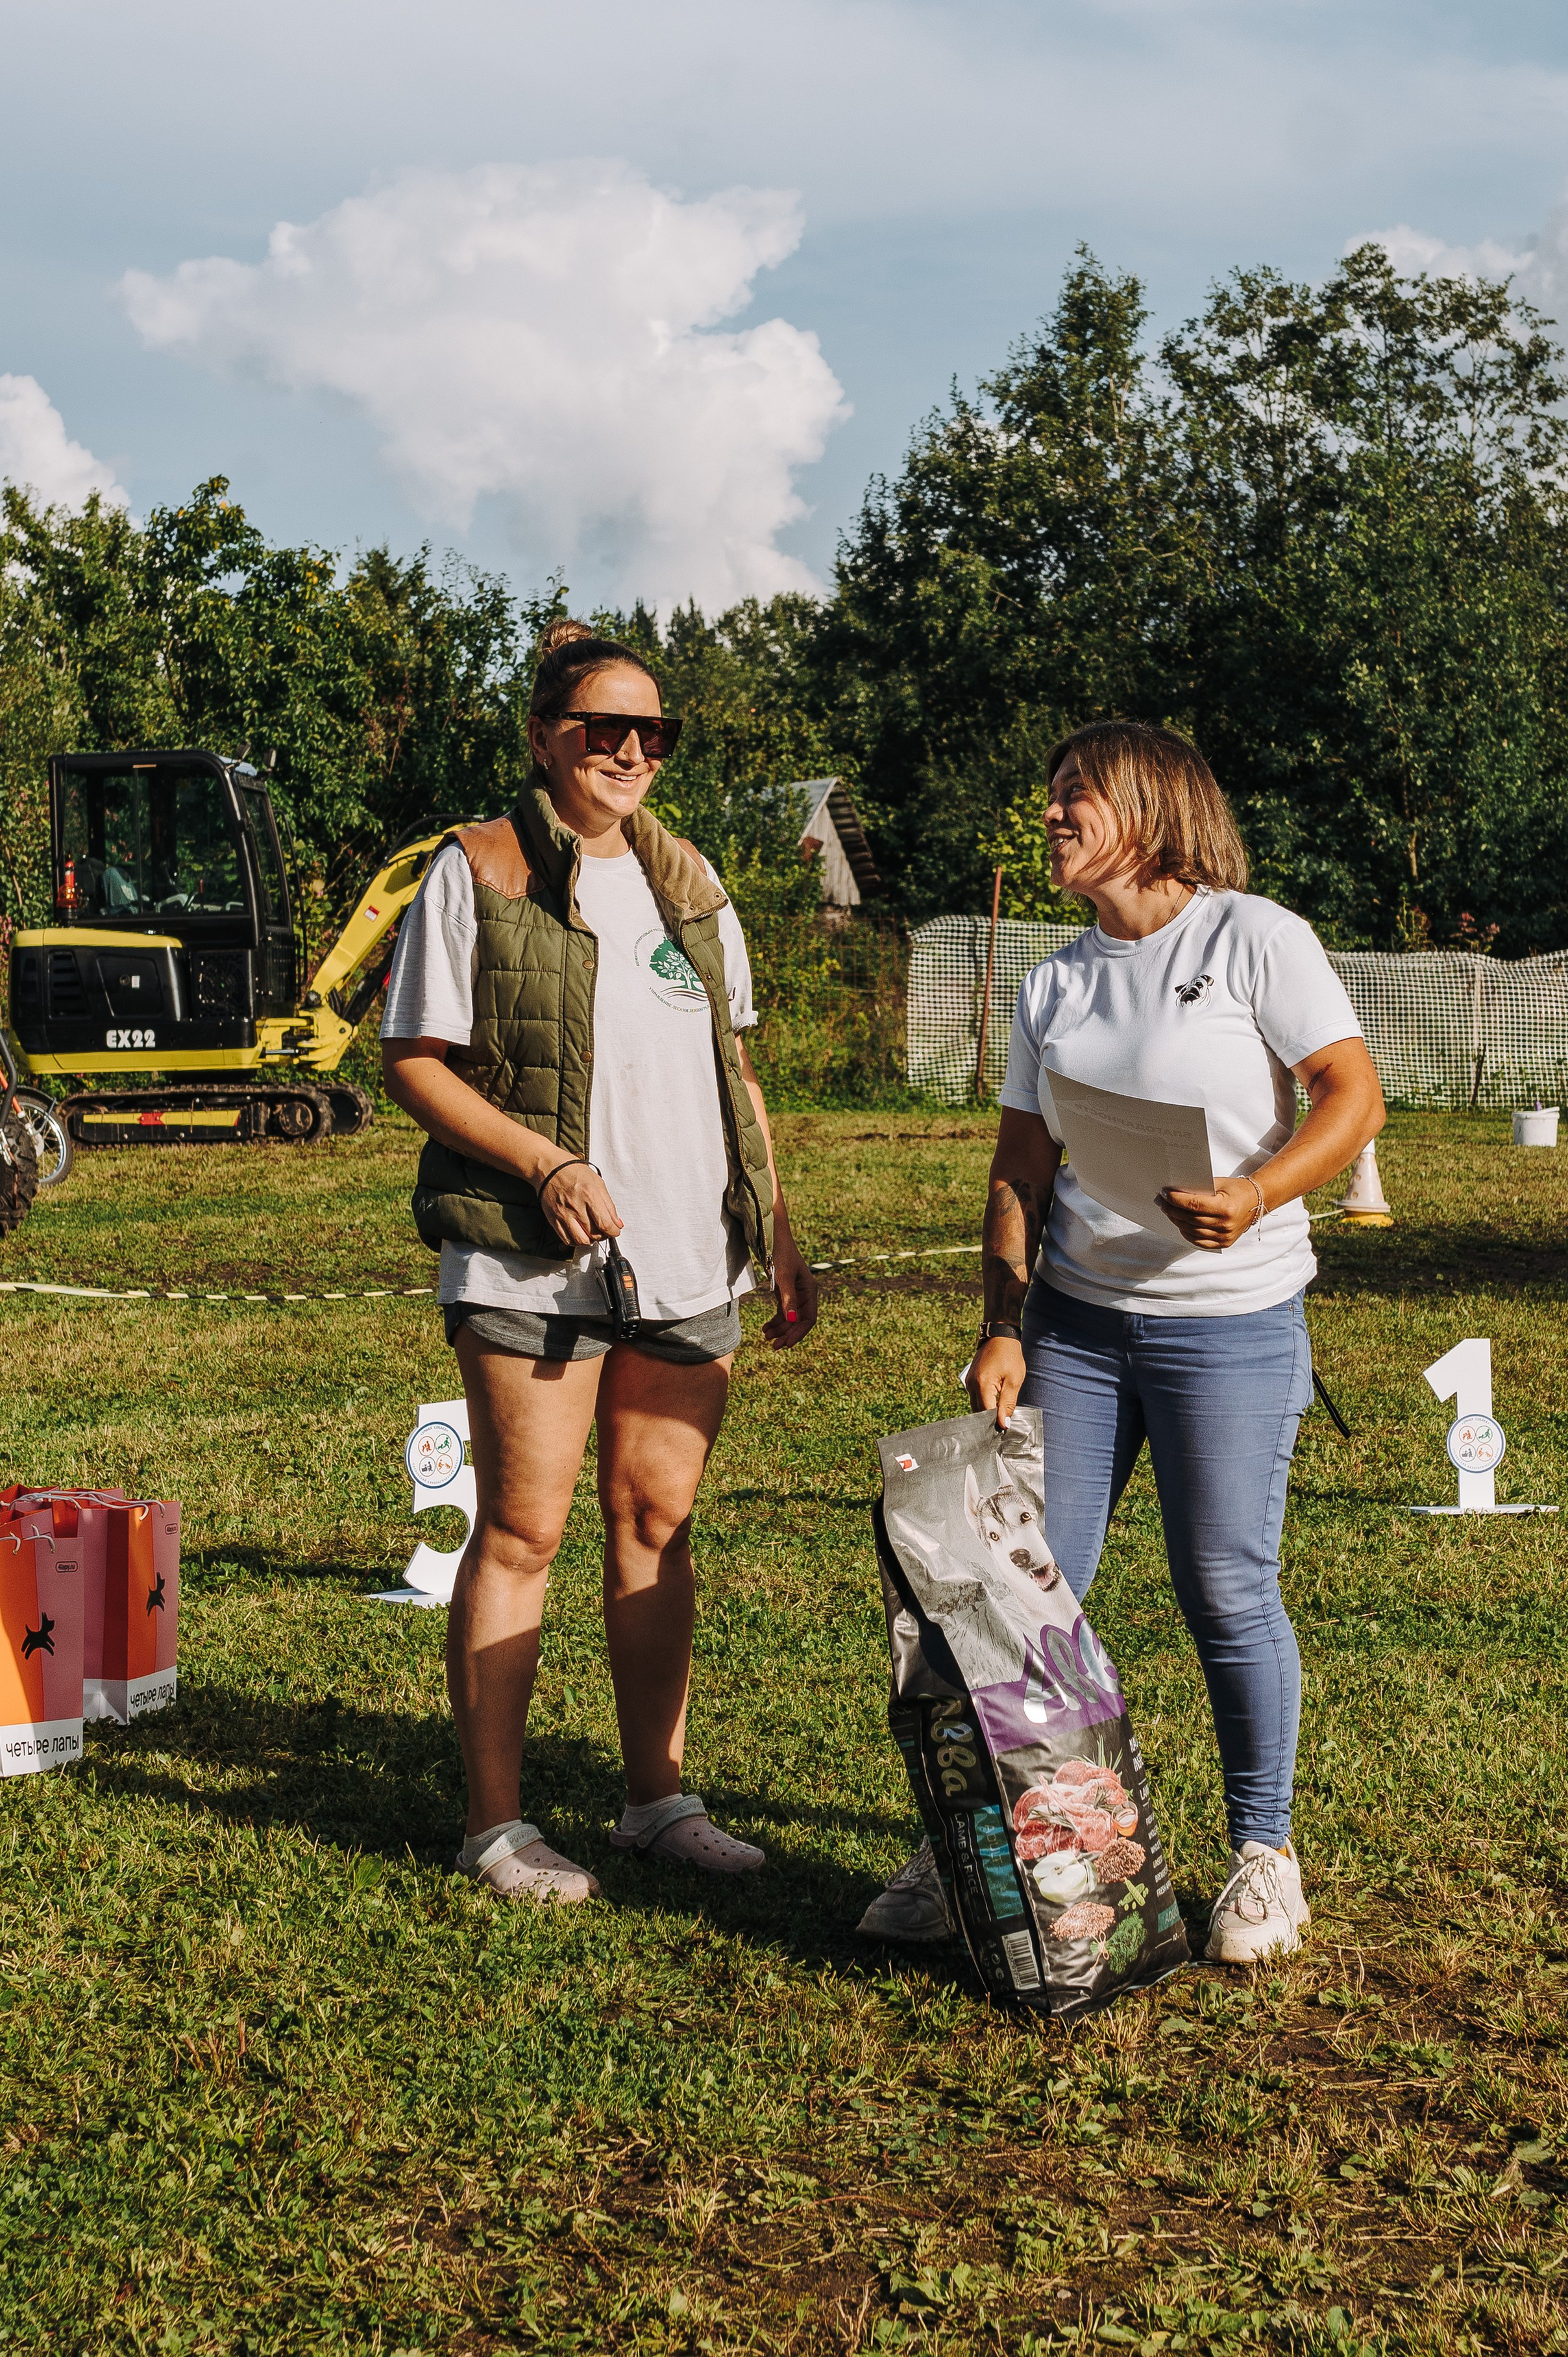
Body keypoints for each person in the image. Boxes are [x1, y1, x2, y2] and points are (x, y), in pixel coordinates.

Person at [860, 719, 1384, 1964]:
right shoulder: (1054, 981)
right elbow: (1018, 1171)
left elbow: (1352, 1096)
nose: (1050, 817)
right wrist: (1003, 1324)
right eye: (1050, 799)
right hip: (1077, 1330)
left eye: (1072, 798)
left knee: (1226, 1585)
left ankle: (1265, 1855)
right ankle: (987, 1842)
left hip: (1233, 1325)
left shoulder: (1255, 937)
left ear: (1148, 811)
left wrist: (1255, 1195)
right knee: (1022, 1599)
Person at [382, 620, 818, 1904]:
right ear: (543, 734)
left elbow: (734, 1067)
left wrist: (778, 1229)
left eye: (651, 731)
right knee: (523, 1527)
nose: (627, 750)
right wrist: (542, 1162)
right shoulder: (478, 867)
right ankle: (496, 1826)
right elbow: (411, 1060)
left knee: (657, 1524)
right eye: (599, 727)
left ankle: (655, 1799)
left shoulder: (688, 878)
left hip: (689, 1254)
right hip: (531, 1257)